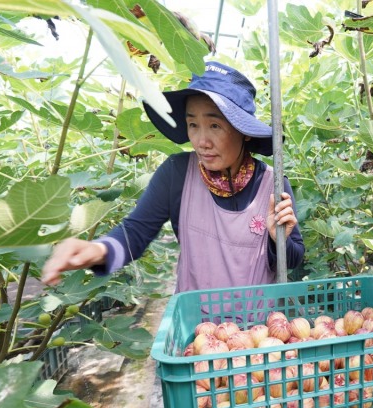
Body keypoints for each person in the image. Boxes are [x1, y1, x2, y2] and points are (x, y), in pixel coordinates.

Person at [42, 61, 304, 291]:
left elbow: (293, 258)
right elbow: (136, 232)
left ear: (243, 131)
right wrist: (98, 250)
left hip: (260, 326)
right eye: (193, 125)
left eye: (215, 125)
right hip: (196, 325)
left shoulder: (272, 184)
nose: (201, 141)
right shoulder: (177, 173)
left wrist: (276, 238)